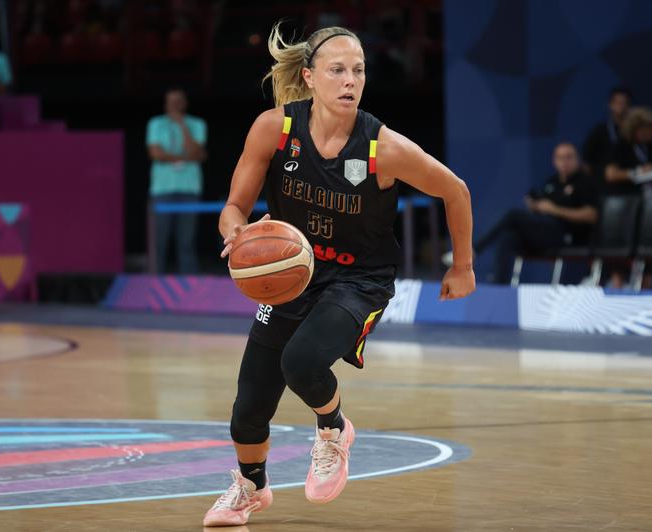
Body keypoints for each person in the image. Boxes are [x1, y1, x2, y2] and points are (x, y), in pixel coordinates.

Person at [203, 24, 476, 527]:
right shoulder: (275, 129)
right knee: (247, 409)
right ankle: (250, 486)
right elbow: (233, 207)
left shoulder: (382, 147)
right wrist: (238, 233)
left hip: (359, 279)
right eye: (337, 70)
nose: (350, 80)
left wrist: (462, 266)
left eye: (359, 70)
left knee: (302, 362)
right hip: (294, 277)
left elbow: (455, 189)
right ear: (309, 77)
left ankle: (333, 430)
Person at [459, 142, 598, 284]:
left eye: (569, 157)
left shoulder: (585, 182)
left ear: (577, 159)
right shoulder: (552, 182)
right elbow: (542, 204)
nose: (565, 162)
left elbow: (592, 215)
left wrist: (555, 210)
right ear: (554, 161)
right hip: (544, 233)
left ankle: (474, 249)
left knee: (513, 215)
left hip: (567, 236)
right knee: (509, 237)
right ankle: (499, 287)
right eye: (560, 158)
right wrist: (535, 206)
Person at [146, 87, 207, 273]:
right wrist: (186, 158)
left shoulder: (197, 124)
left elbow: (197, 150)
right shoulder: (156, 123)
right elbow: (155, 153)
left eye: (177, 101)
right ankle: (154, 281)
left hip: (189, 187)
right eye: (169, 101)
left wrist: (182, 125)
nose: (173, 105)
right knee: (159, 239)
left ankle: (189, 283)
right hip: (162, 189)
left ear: (184, 103)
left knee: (187, 239)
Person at [603, 106, 652, 197]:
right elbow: (610, 175)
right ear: (634, 129)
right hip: (628, 198)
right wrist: (637, 172)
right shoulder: (620, 145)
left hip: (651, 194)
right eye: (645, 131)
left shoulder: (651, 145)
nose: (649, 134)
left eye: (651, 131)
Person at [582, 87, 632, 179]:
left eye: (624, 102)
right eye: (618, 102)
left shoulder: (634, 132)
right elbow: (586, 161)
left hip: (632, 185)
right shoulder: (600, 131)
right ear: (610, 104)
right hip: (604, 186)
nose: (621, 106)